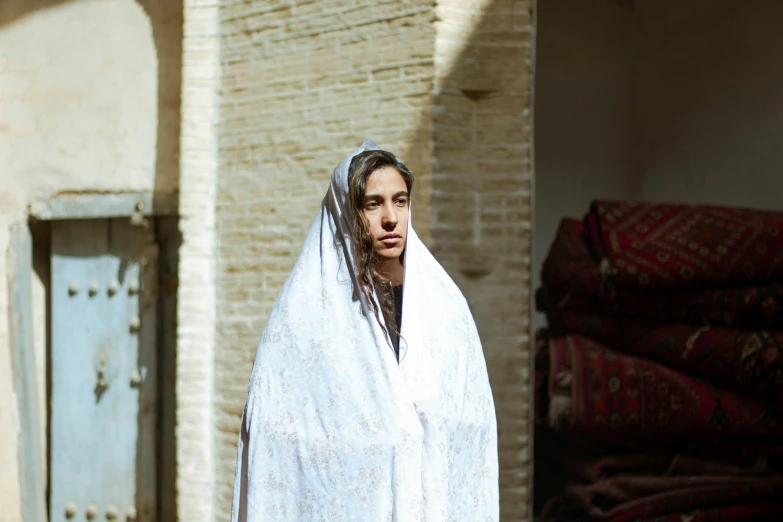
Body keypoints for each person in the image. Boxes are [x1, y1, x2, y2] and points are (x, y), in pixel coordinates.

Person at [231, 140, 498, 521]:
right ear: (347, 213)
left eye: (400, 201)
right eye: (373, 204)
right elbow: (275, 441)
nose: (391, 217)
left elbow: (473, 426)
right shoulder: (304, 316)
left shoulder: (445, 309)